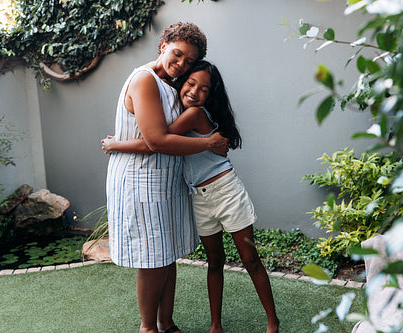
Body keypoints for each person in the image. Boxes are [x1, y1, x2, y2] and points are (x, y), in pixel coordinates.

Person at [103, 60, 280, 333]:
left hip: (225, 190)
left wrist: (116, 144)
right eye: (191, 83)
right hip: (199, 196)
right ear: (181, 82)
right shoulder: (174, 107)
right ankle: (215, 326)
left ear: (210, 96)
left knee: (250, 259)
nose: (195, 92)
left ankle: (272, 322)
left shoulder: (195, 115)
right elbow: (160, 138)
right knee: (214, 263)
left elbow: (156, 142)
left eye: (204, 89)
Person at [105, 22, 228, 333]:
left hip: (166, 181)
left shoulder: (172, 82)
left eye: (189, 60)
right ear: (163, 45)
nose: (182, 64)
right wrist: (207, 143)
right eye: (177, 54)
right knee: (152, 259)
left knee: (167, 253)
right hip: (140, 181)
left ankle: (167, 323)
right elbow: (157, 141)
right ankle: (148, 328)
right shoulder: (144, 80)